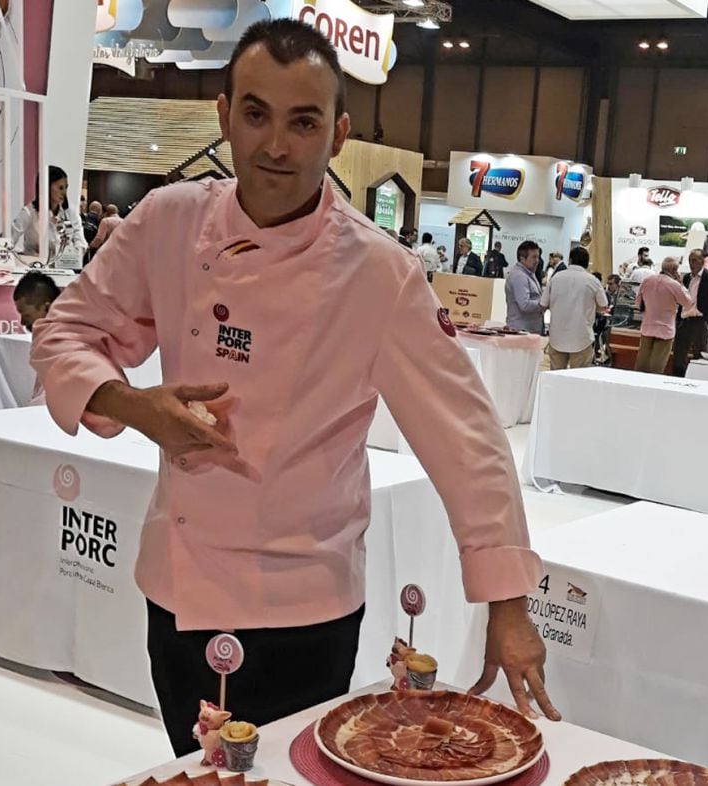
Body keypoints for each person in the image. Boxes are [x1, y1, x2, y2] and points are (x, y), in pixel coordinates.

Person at [29, 19, 558, 757]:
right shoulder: (168, 223)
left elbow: (467, 440)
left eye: (302, 122)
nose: (275, 146)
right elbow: (64, 331)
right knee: (198, 772)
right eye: (256, 115)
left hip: (303, 612)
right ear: (224, 117)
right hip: (176, 591)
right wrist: (131, 406)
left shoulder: (378, 274)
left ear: (338, 133)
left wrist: (508, 603)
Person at [540, 246, 607, 370]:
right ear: (587, 262)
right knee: (579, 380)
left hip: (557, 336)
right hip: (582, 337)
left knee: (556, 377)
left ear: (570, 260)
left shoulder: (556, 278)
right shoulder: (593, 281)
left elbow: (543, 304)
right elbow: (603, 305)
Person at [633, 257, 695, 374]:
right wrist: (681, 284)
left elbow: (637, 302)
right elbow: (688, 303)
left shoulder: (647, 280)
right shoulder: (674, 285)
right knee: (657, 367)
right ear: (674, 270)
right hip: (665, 330)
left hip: (647, 328)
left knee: (641, 366)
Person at [11, 165, 86, 259]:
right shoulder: (29, 212)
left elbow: (80, 241)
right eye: (60, 188)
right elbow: (9, 239)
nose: (64, 192)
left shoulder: (70, 212)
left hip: (64, 266)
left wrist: (74, 254)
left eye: (66, 187)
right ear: (46, 187)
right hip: (35, 266)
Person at [672, 249, 708, 376]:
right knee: (679, 354)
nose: (691, 263)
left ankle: (698, 379)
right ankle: (678, 379)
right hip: (684, 320)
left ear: (702, 261)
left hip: (700, 320)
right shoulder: (687, 277)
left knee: (699, 354)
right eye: (689, 260)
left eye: (694, 260)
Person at [505, 240, 544, 333]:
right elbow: (524, 305)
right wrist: (543, 303)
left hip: (529, 330)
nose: (537, 261)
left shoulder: (529, 273)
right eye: (534, 257)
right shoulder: (519, 276)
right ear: (522, 258)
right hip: (522, 331)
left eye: (538, 257)